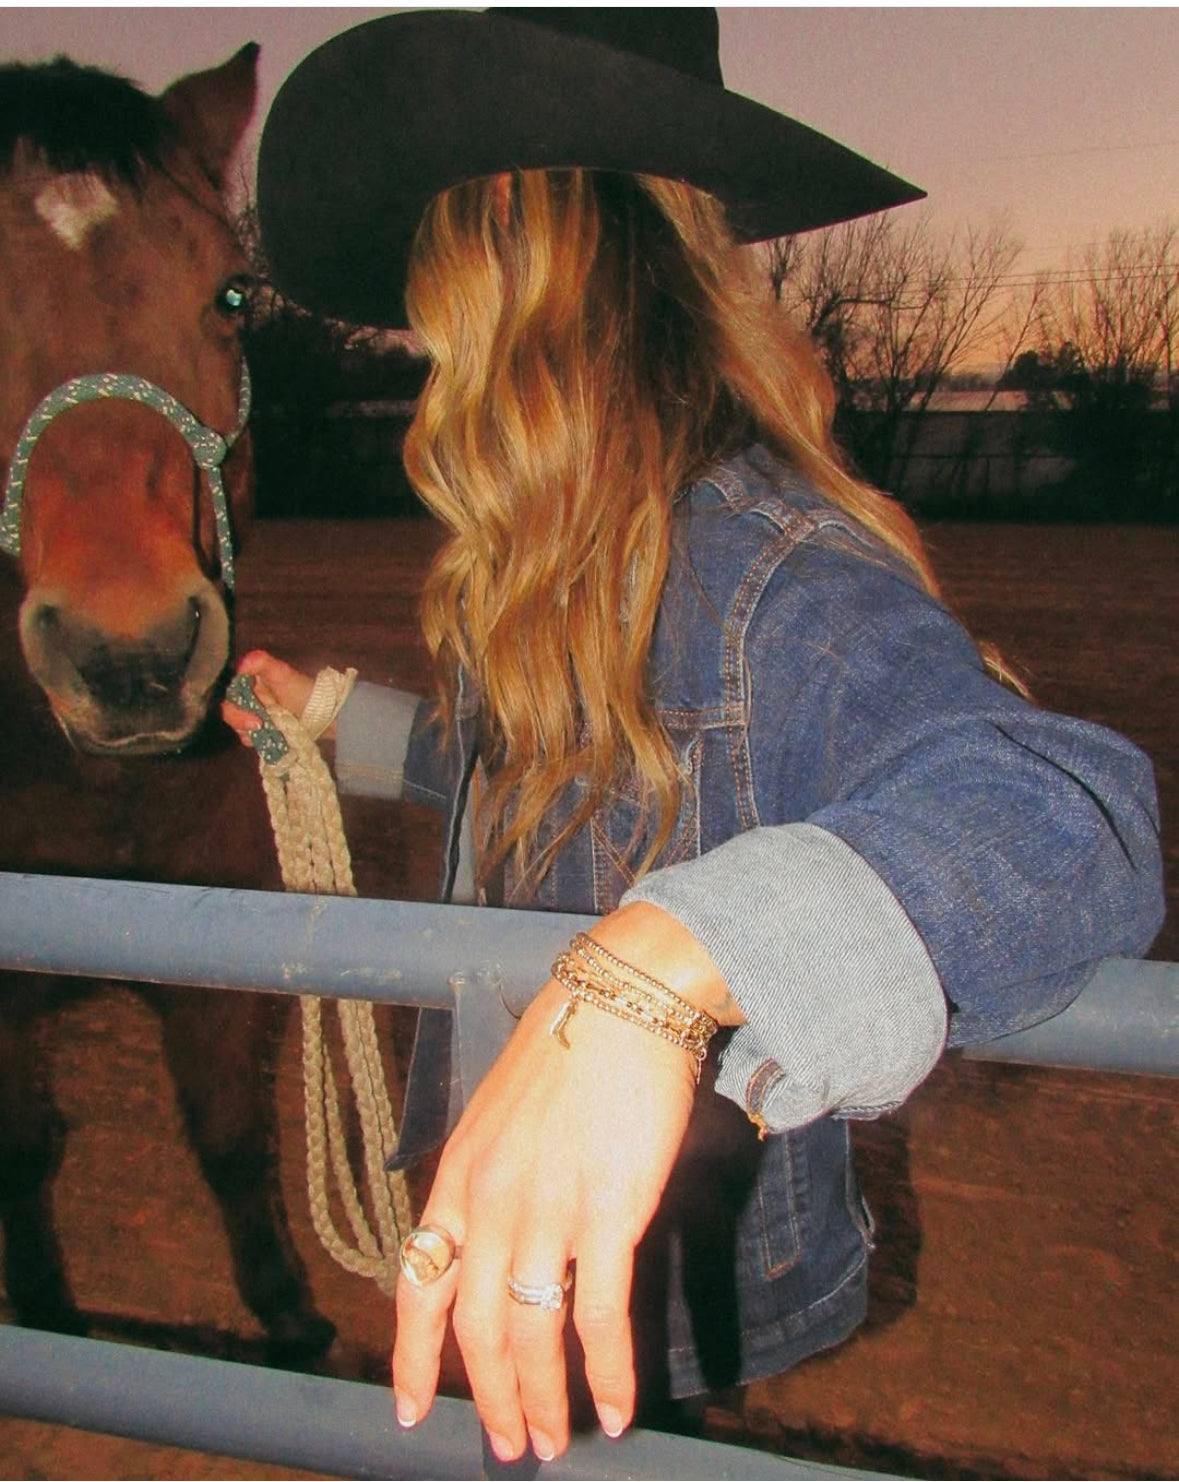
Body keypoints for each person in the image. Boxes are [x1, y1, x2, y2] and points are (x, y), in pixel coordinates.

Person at [229, 10, 1164, 1465]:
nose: (422, 358)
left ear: (520, 296)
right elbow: (539, 787)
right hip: (529, 1228)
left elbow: (1071, 818)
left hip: (630, 1266)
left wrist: (654, 972)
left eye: (435, 311)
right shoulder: (556, 571)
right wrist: (338, 719)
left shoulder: (755, 568)